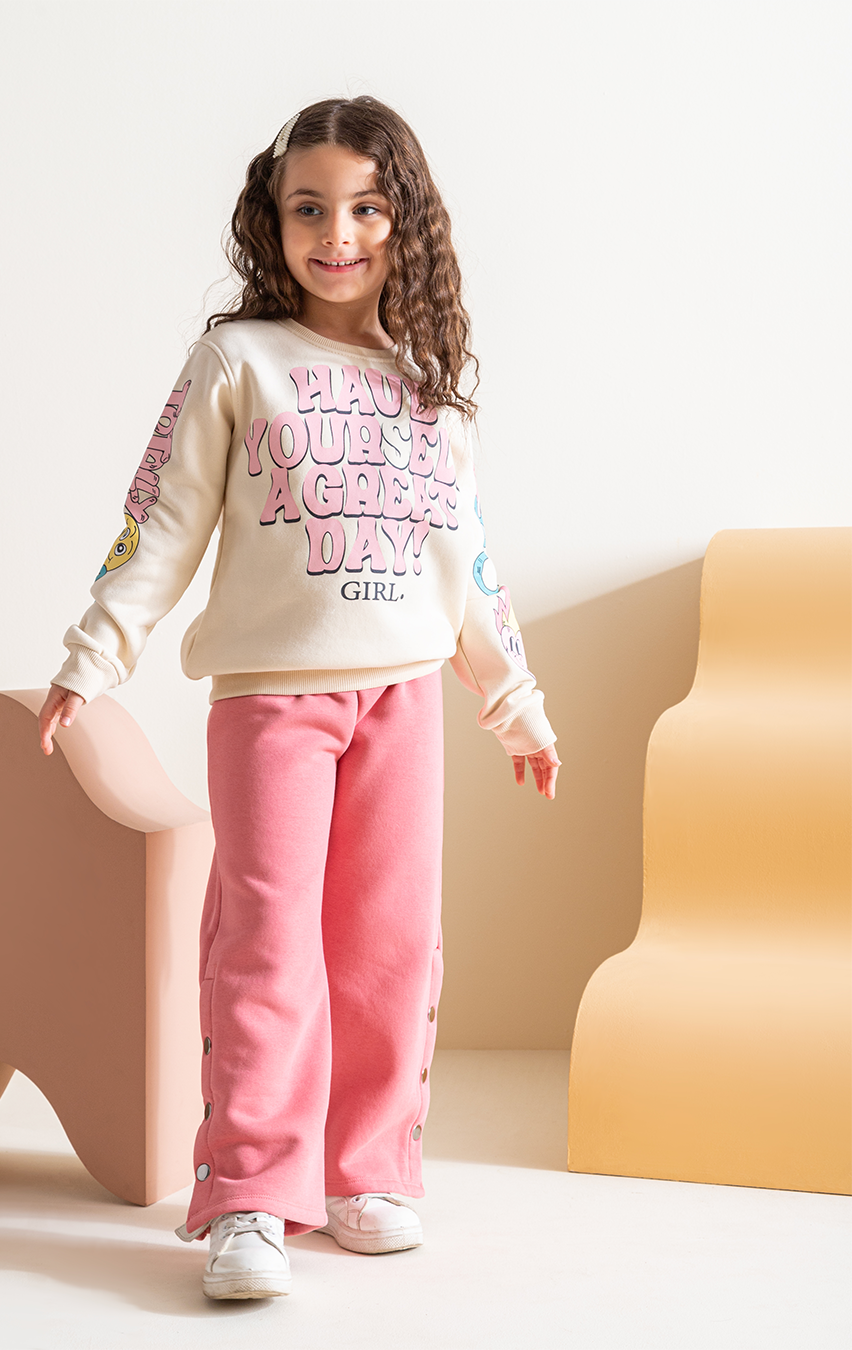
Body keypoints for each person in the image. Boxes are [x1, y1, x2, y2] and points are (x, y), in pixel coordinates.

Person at [38, 96, 560, 1301]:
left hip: (404, 699)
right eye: (310, 209)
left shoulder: (430, 388)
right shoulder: (238, 362)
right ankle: (249, 1196)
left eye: (367, 209)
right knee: (268, 943)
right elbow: (162, 521)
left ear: (405, 222)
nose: (338, 235)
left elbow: (466, 563)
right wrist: (94, 653)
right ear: (270, 222)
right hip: (273, 702)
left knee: (390, 944)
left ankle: (365, 1172)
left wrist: (516, 703)